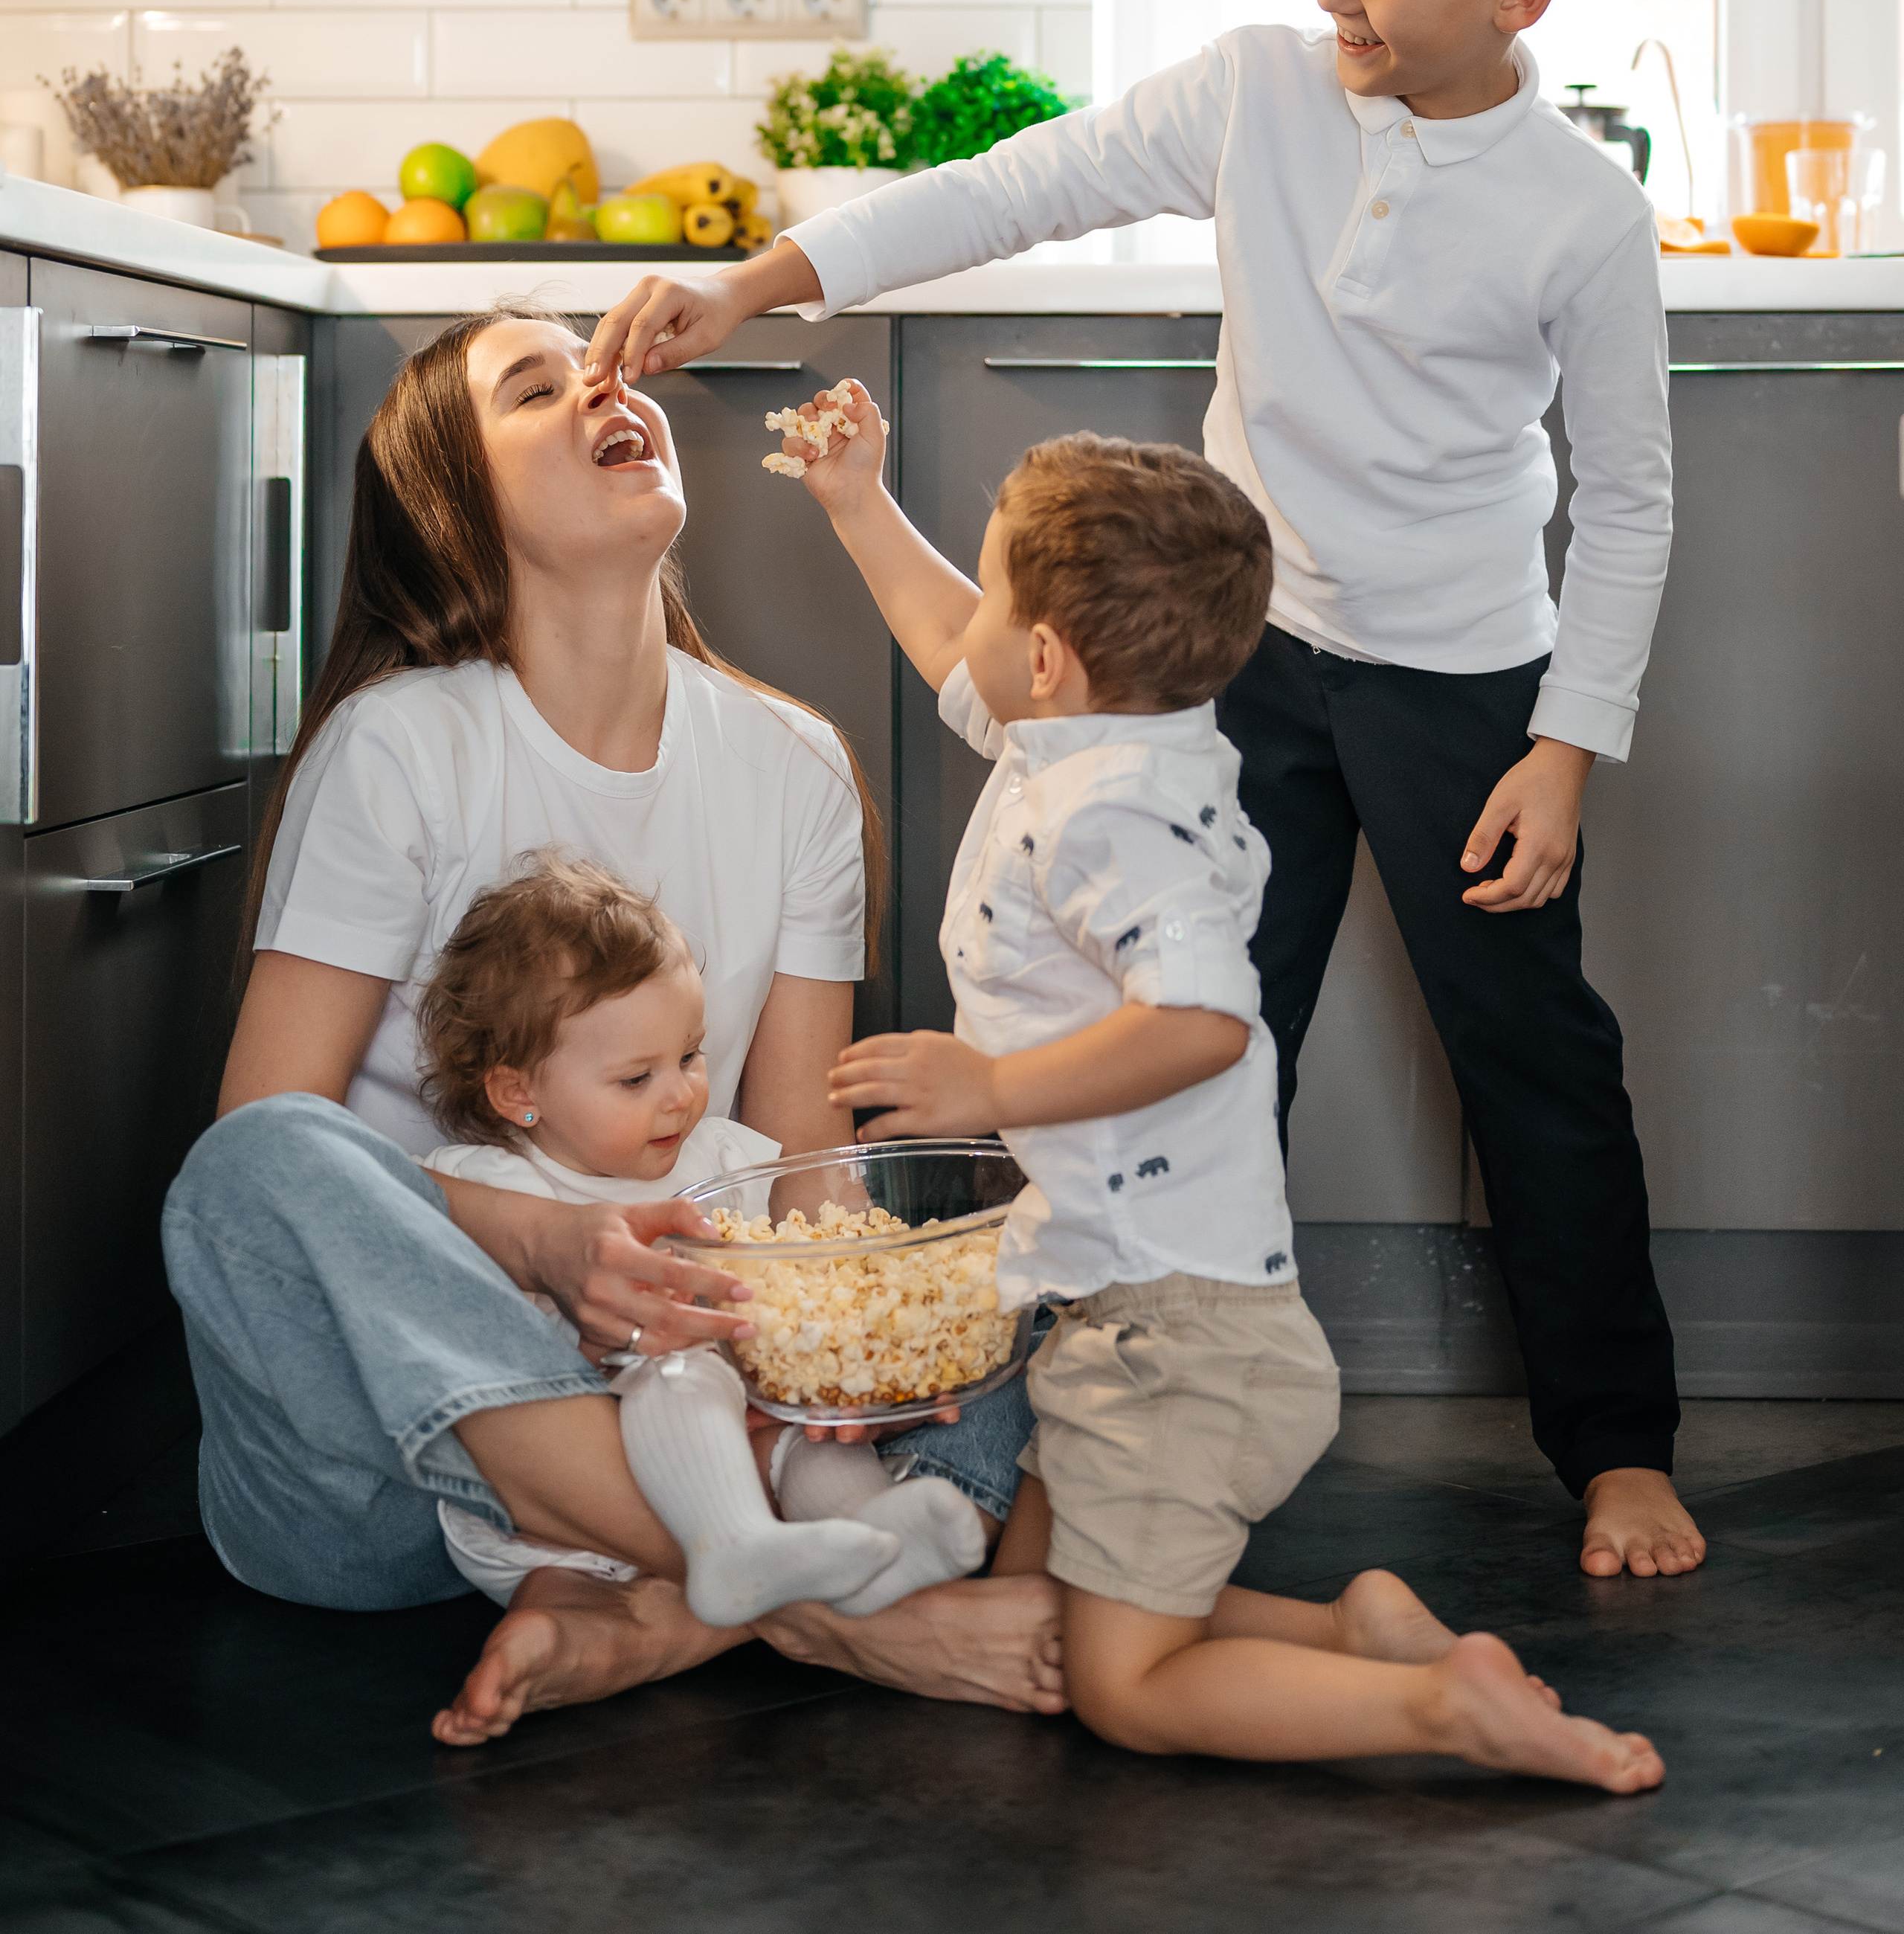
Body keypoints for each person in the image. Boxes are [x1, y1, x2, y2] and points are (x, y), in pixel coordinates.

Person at [582, 0, 1701, 1585]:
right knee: (1169, 1045)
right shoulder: (1256, 92)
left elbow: (1629, 502)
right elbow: (1013, 186)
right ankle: (1114, 1435)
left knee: (1532, 1059)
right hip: (1234, 662)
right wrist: (760, 281)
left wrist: (1562, 744)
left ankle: (1615, 1443)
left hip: (1460, 689)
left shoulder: (1580, 215)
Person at [162, 309, 1062, 1749]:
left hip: (719, 1408)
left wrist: (869, 1349)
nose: (597, 381)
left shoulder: (791, 764)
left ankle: (669, 1606)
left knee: (1067, 1213)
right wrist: (541, 1244)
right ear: (455, 508)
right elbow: (269, 1147)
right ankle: (833, 1615)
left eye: (597, 360)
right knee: (255, 1163)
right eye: (533, 385)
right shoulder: (403, 747)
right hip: (395, 1493)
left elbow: (799, 1173)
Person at [769, 389, 1660, 1786]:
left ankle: (1441, 1714)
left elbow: (1204, 1020)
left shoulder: (1112, 808)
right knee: (1043, 1608)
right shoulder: (1085, 737)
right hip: (1120, 1315)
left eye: (996, 587)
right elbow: (954, 641)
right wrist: (852, 499)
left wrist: (985, 1080)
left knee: (1121, 1686)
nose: (977, 621)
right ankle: (1363, 1628)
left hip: (1178, 1343)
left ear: (1051, 654)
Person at [416, 849, 985, 1624]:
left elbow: (803, 1277)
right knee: (680, 1376)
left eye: (689, 1055)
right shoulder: (496, 1186)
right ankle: (732, 1546)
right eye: (635, 1078)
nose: (680, 1093)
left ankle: (875, 1543)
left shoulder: (719, 1157)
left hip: (737, 1446)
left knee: (815, 1436)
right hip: (569, 1502)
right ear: (520, 1092)